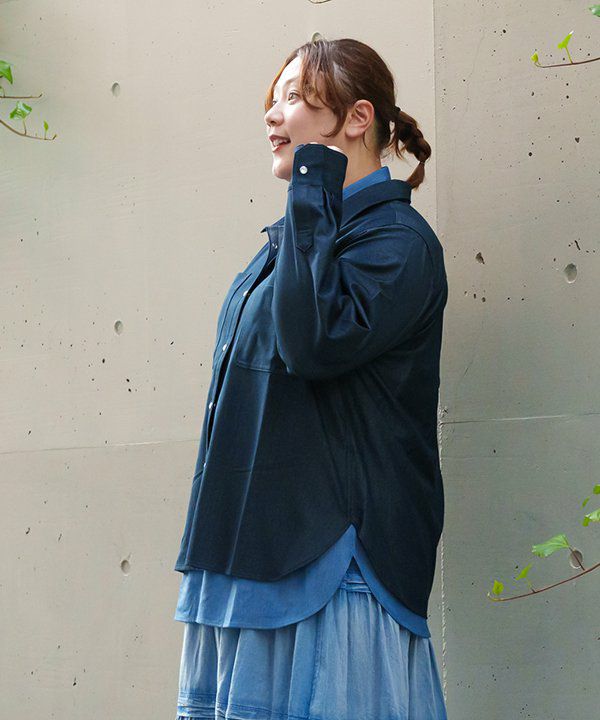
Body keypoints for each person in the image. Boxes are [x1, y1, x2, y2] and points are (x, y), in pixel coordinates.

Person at [173, 37, 449, 720]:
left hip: (336, 564)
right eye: (274, 98)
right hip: (248, 556)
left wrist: (311, 186)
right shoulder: (294, 242)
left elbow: (313, 345)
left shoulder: (398, 245)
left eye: (295, 97)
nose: (272, 114)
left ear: (358, 118)